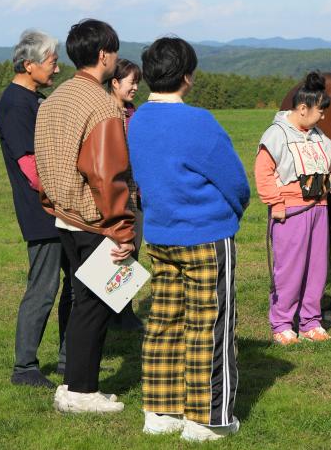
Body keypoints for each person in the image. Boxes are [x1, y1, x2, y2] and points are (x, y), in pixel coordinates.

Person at [128, 37, 250, 442]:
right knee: (210, 325)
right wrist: (234, 212)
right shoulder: (199, 122)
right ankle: (209, 418)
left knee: (164, 321)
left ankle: (160, 411)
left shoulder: (138, 119)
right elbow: (235, 182)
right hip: (206, 235)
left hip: (160, 236)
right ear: (187, 77)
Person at [35, 18, 135, 413]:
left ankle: (75, 384)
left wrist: (53, 202)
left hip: (63, 215)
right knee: (96, 305)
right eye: (114, 51)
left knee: (84, 302)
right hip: (95, 220)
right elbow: (108, 174)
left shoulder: (55, 98)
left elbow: (44, 160)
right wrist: (123, 229)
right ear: (103, 55)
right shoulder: (102, 105)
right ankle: (81, 391)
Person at [0, 29, 72, 388]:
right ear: (29, 65)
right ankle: (24, 367)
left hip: (61, 208)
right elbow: (31, 167)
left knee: (75, 284)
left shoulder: (32, 98)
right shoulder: (15, 104)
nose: (56, 70)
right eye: (52, 62)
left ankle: (69, 359)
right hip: (43, 212)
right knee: (43, 289)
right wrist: (65, 194)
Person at [255, 71, 331, 346]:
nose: (323, 117)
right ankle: (282, 323)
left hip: (319, 209)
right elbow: (263, 172)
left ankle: (310, 322)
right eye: (320, 111)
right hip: (291, 212)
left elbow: (323, 168)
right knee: (290, 269)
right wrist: (276, 203)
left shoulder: (318, 136)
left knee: (317, 268)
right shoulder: (276, 134)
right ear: (303, 108)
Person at [106, 58, 144, 332]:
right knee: (112, 253)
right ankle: (108, 312)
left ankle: (124, 311)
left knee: (134, 251)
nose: (135, 88)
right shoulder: (104, 114)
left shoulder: (135, 114)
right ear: (115, 82)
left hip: (136, 196)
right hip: (112, 194)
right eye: (132, 82)